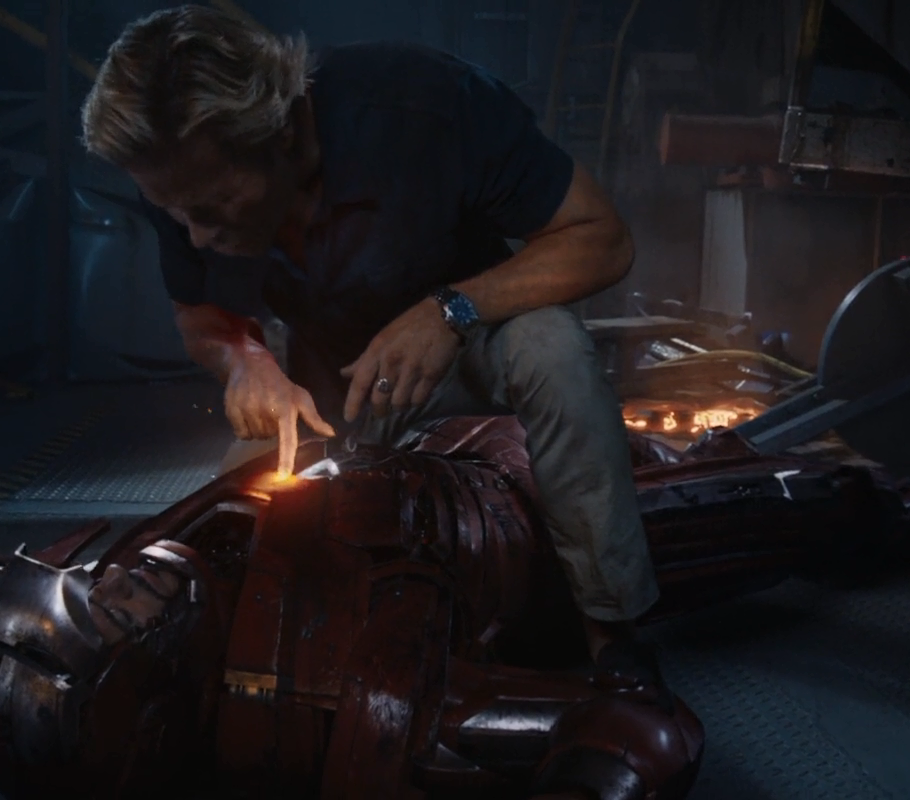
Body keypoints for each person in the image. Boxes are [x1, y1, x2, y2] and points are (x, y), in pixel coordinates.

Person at [79, 5, 660, 668]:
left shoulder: (424, 106)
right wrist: (245, 360)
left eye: (212, 210)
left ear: (281, 135)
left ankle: (612, 642)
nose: (197, 235)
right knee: (236, 527)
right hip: (341, 405)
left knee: (550, 346)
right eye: (177, 214)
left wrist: (451, 310)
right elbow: (201, 317)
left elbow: (603, 239)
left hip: (475, 363)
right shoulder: (184, 174)